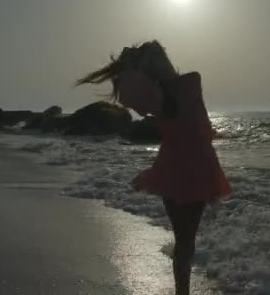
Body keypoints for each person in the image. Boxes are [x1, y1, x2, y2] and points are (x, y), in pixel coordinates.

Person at [76, 40, 231, 295]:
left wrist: (134, 66)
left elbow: (130, 99)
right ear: (159, 63)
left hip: (172, 168)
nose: (166, 60)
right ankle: (183, 291)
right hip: (194, 167)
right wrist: (137, 64)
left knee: (184, 240)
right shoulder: (180, 85)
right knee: (186, 240)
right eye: (162, 57)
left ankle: (182, 289)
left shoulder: (156, 96)